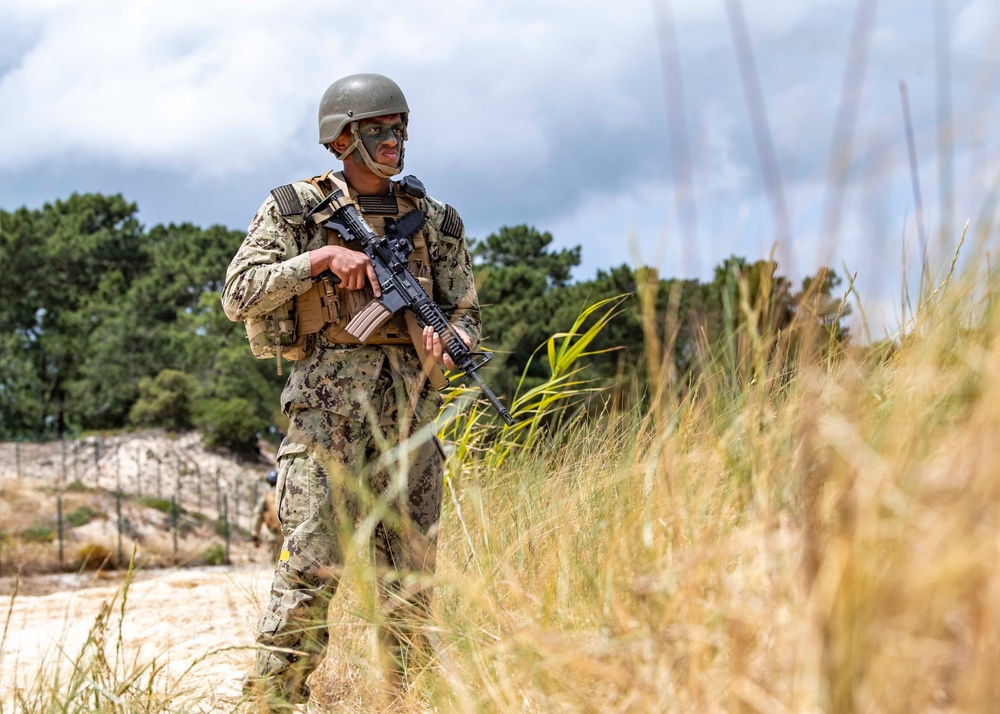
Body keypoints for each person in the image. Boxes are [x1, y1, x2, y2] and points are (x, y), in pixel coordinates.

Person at [222, 73, 481, 711]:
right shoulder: (294, 208)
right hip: (326, 424)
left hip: (411, 423)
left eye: (399, 128)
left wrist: (453, 342)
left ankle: (407, 701)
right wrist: (318, 261)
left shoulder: (436, 220)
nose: (393, 141)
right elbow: (238, 293)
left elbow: (466, 312)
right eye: (377, 130)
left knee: (411, 585)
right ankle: (273, 702)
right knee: (310, 572)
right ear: (341, 140)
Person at [251, 470, 282, 564]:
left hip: (274, 535)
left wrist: (255, 534)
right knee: (285, 560)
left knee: (275, 562)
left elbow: (258, 516)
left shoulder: (266, 498)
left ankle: (278, 575)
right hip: (287, 537)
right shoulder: (287, 495)